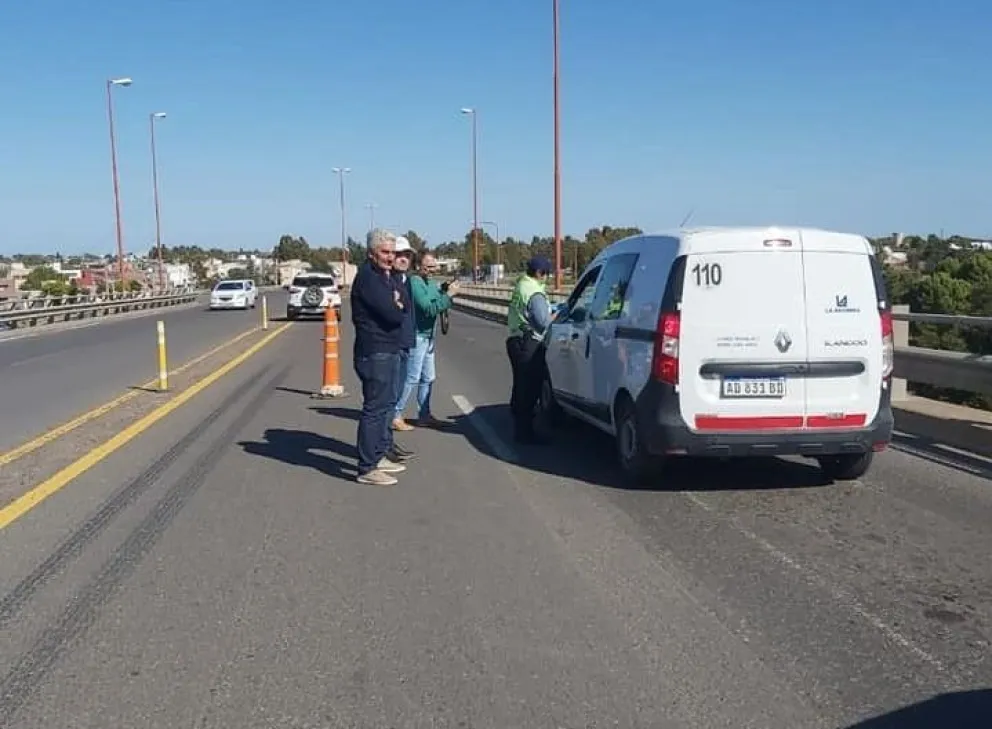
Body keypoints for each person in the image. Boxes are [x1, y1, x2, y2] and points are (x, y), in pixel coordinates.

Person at [350, 228, 413, 487]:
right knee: (374, 409)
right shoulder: (369, 278)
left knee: (387, 405)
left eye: (392, 252)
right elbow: (393, 315)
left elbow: (405, 305)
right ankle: (367, 467)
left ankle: (378, 455)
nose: (390, 257)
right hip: (375, 351)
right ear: (371, 253)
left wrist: (397, 303)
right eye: (384, 252)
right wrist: (395, 305)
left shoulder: (386, 276)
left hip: (388, 348)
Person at [393, 252, 459, 429]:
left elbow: (438, 300)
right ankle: (396, 413)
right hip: (417, 335)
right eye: (428, 266)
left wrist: (444, 291)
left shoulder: (431, 283)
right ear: (418, 266)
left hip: (429, 336)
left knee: (428, 377)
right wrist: (449, 296)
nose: (432, 270)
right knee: (411, 377)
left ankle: (424, 414)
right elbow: (429, 308)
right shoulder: (415, 283)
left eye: (434, 266)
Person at [505, 256, 554, 444]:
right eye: (546, 274)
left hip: (515, 339)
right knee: (530, 388)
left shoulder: (521, 285)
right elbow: (543, 323)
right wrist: (557, 315)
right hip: (529, 342)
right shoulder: (534, 292)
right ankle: (525, 433)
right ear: (540, 273)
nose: (547, 278)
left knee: (521, 384)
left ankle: (519, 424)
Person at [390, 236, 417, 433]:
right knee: (391, 389)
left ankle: (393, 421)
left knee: (401, 384)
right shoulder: (388, 280)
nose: (403, 259)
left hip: (405, 340)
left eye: (406, 255)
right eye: (399, 254)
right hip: (393, 343)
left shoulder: (405, 280)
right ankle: (393, 419)